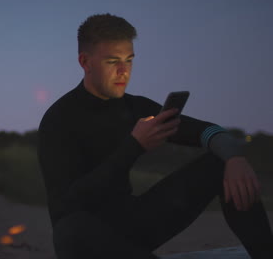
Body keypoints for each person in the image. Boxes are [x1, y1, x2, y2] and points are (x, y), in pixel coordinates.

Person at [38, 13, 273, 259]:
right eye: (112, 61)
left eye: (129, 60)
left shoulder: (135, 108)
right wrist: (134, 146)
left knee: (222, 163)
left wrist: (235, 158)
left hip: (133, 222)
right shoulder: (59, 119)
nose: (123, 71)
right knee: (71, 230)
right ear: (85, 62)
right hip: (90, 239)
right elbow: (67, 204)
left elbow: (207, 130)